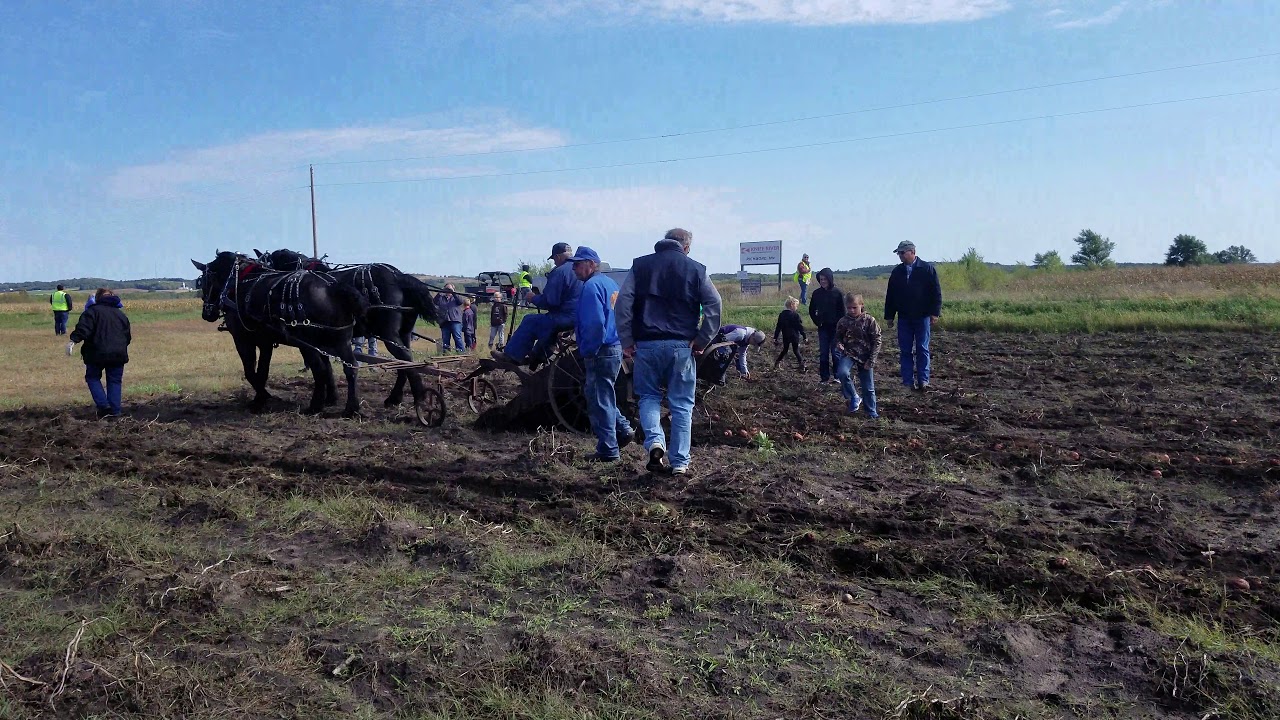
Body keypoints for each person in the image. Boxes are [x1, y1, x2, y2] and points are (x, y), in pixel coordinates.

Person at [616, 228, 722, 476]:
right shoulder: (696, 269)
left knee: (649, 397)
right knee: (682, 404)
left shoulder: (640, 266)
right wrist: (702, 340)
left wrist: (626, 339)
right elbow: (714, 304)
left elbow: (623, 303)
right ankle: (680, 463)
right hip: (682, 346)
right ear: (686, 247)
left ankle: (655, 441)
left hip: (647, 345)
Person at [570, 246, 635, 462]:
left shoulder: (591, 287)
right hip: (614, 347)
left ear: (591, 264)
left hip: (601, 349)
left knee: (599, 399)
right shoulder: (611, 284)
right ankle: (623, 429)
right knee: (602, 395)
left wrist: (588, 349)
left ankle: (609, 449)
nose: (574, 269)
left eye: (578, 264)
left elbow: (595, 323)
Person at [492, 243, 582, 367]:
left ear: (558, 256)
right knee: (546, 324)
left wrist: (533, 297)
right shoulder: (578, 269)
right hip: (578, 317)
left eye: (554, 259)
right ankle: (538, 355)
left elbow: (549, 302)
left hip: (565, 318)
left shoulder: (560, 272)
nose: (554, 263)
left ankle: (512, 355)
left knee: (530, 321)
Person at [884, 241, 942, 391]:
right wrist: (889, 316)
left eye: (902, 253)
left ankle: (924, 380)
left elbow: (936, 292)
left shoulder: (927, 269)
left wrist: (935, 312)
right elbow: (891, 295)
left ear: (912, 252)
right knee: (905, 350)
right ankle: (907, 382)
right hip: (904, 317)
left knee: (922, 348)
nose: (900, 256)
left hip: (922, 316)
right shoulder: (897, 272)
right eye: (899, 253)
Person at [69, 288, 131, 418]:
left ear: (97, 298)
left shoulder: (91, 312)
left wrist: (73, 341)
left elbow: (83, 329)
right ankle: (115, 412)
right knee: (114, 381)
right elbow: (127, 337)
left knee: (92, 378)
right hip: (118, 354)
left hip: (95, 353)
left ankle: (103, 406)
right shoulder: (121, 315)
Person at [833, 294, 882, 418]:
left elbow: (877, 341)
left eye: (854, 307)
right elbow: (838, 336)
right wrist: (839, 344)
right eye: (849, 308)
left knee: (868, 387)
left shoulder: (869, 320)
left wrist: (871, 360)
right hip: (849, 354)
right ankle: (854, 396)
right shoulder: (843, 321)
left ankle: (871, 412)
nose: (851, 310)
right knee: (842, 373)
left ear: (862, 305)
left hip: (866, 356)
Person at [807, 267, 843, 384]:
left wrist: (841, 326)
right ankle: (824, 378)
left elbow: (843, 311)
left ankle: (837, 376)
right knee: (823, 353)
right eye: (821, 279)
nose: (823, 281)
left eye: (825, 279)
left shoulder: (837, 293)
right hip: (823, 328)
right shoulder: (817, 293)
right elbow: (811, 310)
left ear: (830, 279)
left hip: (836, 328)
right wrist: (817, 321)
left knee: (835, 352)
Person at [773, 297, 807, 372]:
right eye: (796, 306)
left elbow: (778, 326)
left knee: (785, 350)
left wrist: (775, 337)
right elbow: (800, 327)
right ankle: (802, 365)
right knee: (796, 350)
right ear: (792, 305)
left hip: (786, 335)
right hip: (794, 336)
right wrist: (804, 336)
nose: (796, 307)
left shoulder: (782, 315)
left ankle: (777, 363)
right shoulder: (795, 315)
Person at [433, 284, 465, 354]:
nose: (448, 291)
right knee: (445, 339)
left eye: (449, 289)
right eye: (447, 289)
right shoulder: (441, 297)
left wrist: (453, 292)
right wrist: (440, 292)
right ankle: (447, 354)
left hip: (455, 320)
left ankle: (461, 353)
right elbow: (434, 301)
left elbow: (461, 301)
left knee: (457, 338)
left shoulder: (456, 297)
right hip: (444, 321)